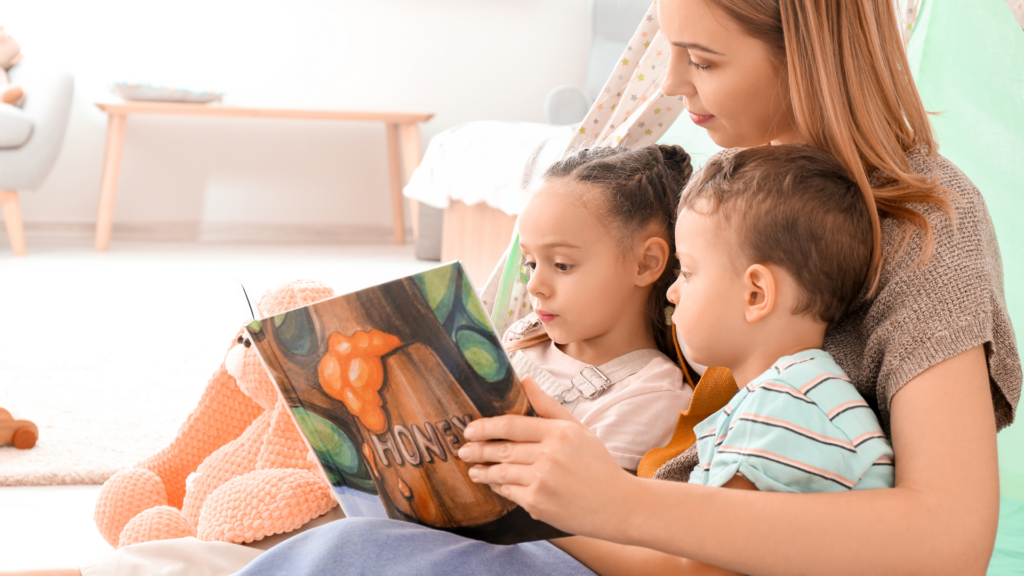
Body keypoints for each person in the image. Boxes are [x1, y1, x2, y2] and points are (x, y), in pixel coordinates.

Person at [16, 0, 1019, 574]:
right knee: (359, 508)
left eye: (703, 57)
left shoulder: (924, 214)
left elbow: (948, 538)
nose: (671, 85)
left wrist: (609, 503)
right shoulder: (713, 182)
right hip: (610, 528)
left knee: (343, 558)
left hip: (650, 544)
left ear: (811, 47)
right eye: (665, 48)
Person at [504, 144, 694, 472]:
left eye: (562, 265)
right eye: (531, 263)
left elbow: (590, 510)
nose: (534, 285)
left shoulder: (651, 398)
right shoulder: (525, 334)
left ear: (646, 263)